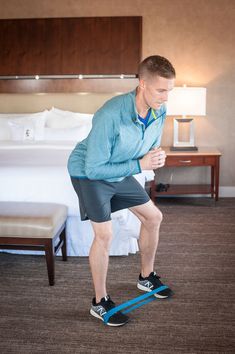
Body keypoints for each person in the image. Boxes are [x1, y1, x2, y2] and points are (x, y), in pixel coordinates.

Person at [67, 55, 176, 327]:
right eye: (160, 90)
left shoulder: (159, 110)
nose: (165, 97)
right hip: (89, 173)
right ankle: (99, 302)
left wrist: (156, 156)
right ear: (142, 84)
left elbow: (149, 145)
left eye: (169, 90)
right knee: (104, 234)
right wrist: (140, 164)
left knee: (153, 217)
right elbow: (93, 169)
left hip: (120, 170)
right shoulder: (110, 114)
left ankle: (146, 277)